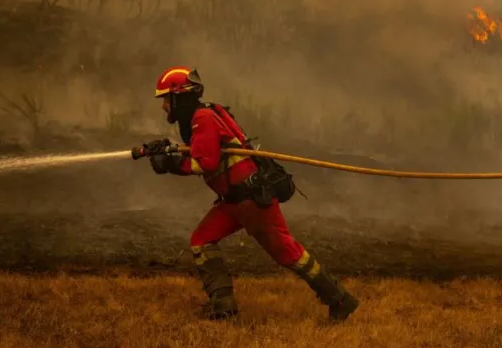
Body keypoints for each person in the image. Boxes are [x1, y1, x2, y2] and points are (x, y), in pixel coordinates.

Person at [143, 66, 359, 321]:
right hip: (235, 201)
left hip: (251, 200)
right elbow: (202, 150)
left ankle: (340, 299)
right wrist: (168, 150)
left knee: (288, 253)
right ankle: (222, 305)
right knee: (201, 240)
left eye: (166, 99)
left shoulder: (203, 118)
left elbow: (206, 163)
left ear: (180, 97)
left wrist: (170, 164)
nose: (164, 107)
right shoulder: (200, 118)